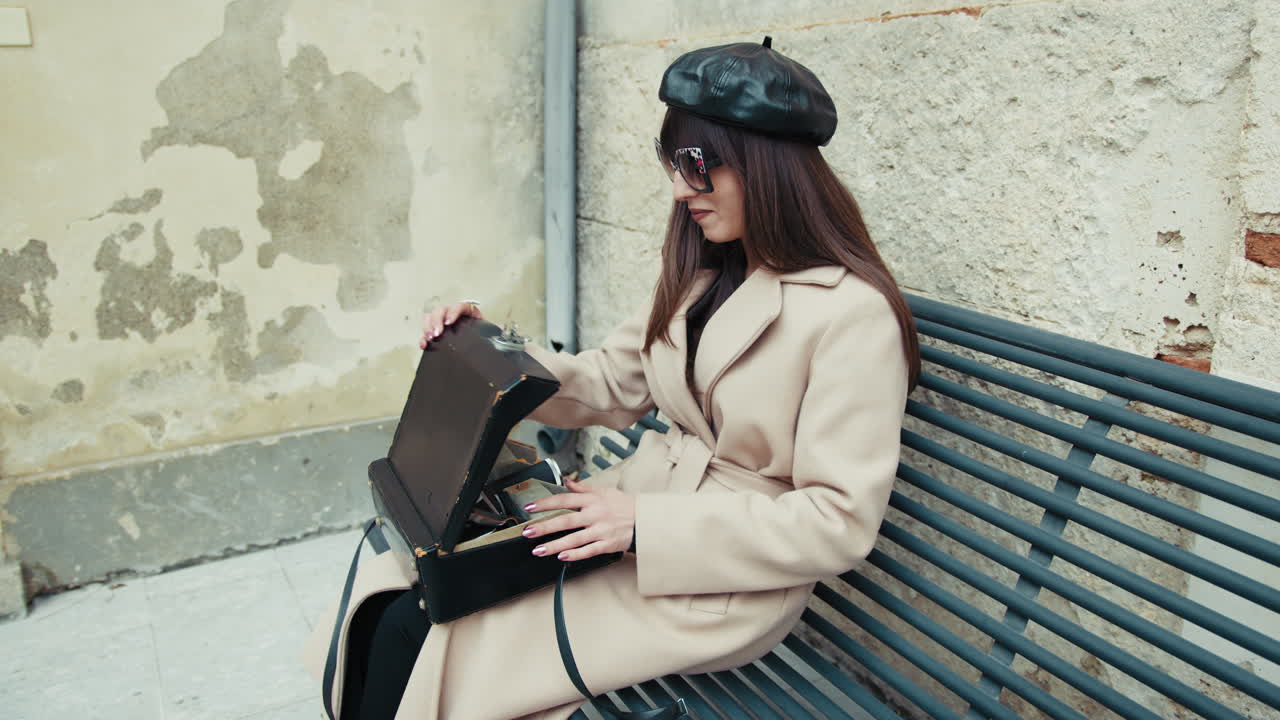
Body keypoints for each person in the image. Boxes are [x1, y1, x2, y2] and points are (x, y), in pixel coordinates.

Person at [304, 36, 920, 720]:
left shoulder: (852, 315)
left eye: (697, 165)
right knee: (396, 588)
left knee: (436, 632)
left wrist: (644, 527)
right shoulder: (703, 271)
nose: (680, 188)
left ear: (768, 165)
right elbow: (609, 382)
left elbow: (838, 523)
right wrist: (493, 351)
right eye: (672, 163)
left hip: (720, 578)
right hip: (626, 516)